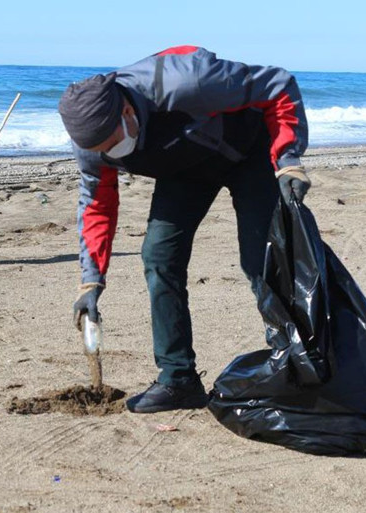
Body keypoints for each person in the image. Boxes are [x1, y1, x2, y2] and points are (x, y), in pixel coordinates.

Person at [58, 46, 310, 414]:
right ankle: (178, 380)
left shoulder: (187, 81)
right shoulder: (91, 146)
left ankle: (296, 368)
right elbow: (97, 205)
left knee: (260, 261)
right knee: (159, 257)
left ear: (126, 112)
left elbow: (277, 85)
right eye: (101, 151)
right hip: (186, 167)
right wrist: (90, 282)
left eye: (112, 145)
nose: (110, 155)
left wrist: (287, 158)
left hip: (250, 150)